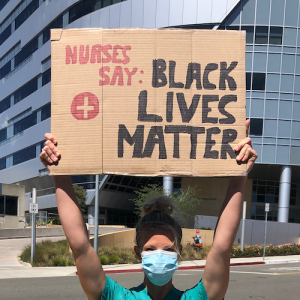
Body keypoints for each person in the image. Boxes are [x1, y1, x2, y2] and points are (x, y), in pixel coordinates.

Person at [40, 120, 257, 300]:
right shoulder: (116, 297)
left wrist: (239, 175)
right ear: (138, 253)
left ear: (180, 252)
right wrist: (59, 172)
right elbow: (80, 245)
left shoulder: (198, 297)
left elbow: (221, 248)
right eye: (151, 249)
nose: (160, 256)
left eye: (169, 249)